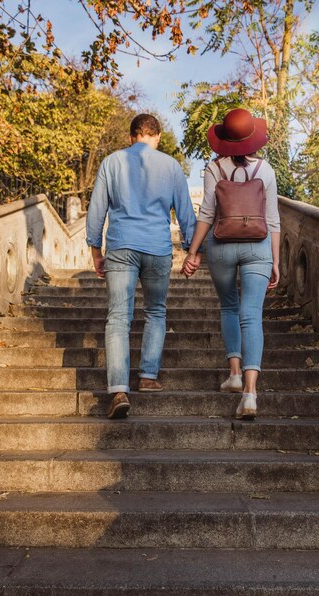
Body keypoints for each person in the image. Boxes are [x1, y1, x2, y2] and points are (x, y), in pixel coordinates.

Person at [86, 113, 197, 419]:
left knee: (118, 317)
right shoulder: (171, 166)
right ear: (157, 136)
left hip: (121, 245)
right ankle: (148, 377)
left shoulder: (112, 162)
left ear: (131, 136)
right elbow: (185, 211)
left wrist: (96, 250)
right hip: (157, 247)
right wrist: (192, 250)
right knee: (156, 311)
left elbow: (97, 209)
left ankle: (119, 389)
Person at [181, 108, 280, 419]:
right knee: (252, 315)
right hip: (258, 246)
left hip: (222, 246)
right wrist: (276, 261)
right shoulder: (266, 170)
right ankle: (250, 394)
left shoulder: (214, 168)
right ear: (253, 139)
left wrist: (193, 252)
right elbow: (273, 220)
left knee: (229, 307)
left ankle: (234, 374)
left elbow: (207, 214)